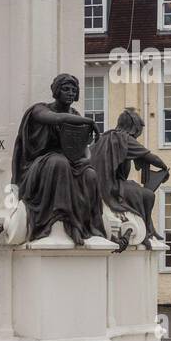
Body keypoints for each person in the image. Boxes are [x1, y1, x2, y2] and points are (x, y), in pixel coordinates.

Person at [10, 73, 105, 244]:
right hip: (41, 163)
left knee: (90, 174)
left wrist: (87, 160)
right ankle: (62, 223)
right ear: (56, 91)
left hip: (71, 162)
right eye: (65, 89)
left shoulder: (75, 114)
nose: (70, 92)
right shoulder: (40, 109)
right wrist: (88, 121)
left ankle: (86, 225)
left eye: (73, 90)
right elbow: (56, 118)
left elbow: (84, 147)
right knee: (59, 163)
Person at [90, 108, 170, 247]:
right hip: (110, 187)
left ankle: (149, 229)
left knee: (135, 187)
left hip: (97, 185)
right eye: (138, 131)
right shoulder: (124, 138)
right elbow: (151, 157)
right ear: (134, 128)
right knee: (148, 195)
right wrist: (164, 168)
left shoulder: (104, 137)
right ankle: (148, 231)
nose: (138, 135)